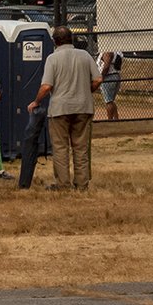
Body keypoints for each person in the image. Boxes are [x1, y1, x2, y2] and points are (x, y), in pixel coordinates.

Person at [37, 30, 99, 190]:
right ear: (72, 39)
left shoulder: (52, 59)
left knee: (60, 147)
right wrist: (87, 90)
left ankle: (63, 184)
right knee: (81, 147)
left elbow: (46, 86)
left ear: (54, 41)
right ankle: (82, 184)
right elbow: (98, 78)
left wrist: (36, 101)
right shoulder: (84, 55)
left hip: (60, 109)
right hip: (83, 107)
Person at [96, 39, 123, 122]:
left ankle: (110, 121)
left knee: (108, 101)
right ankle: (116, 119)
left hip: (108, 77)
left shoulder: (108, 50)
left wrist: (101, 78)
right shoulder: (117, 50)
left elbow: (106, 66)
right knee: (111, 100)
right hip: (115, 76)